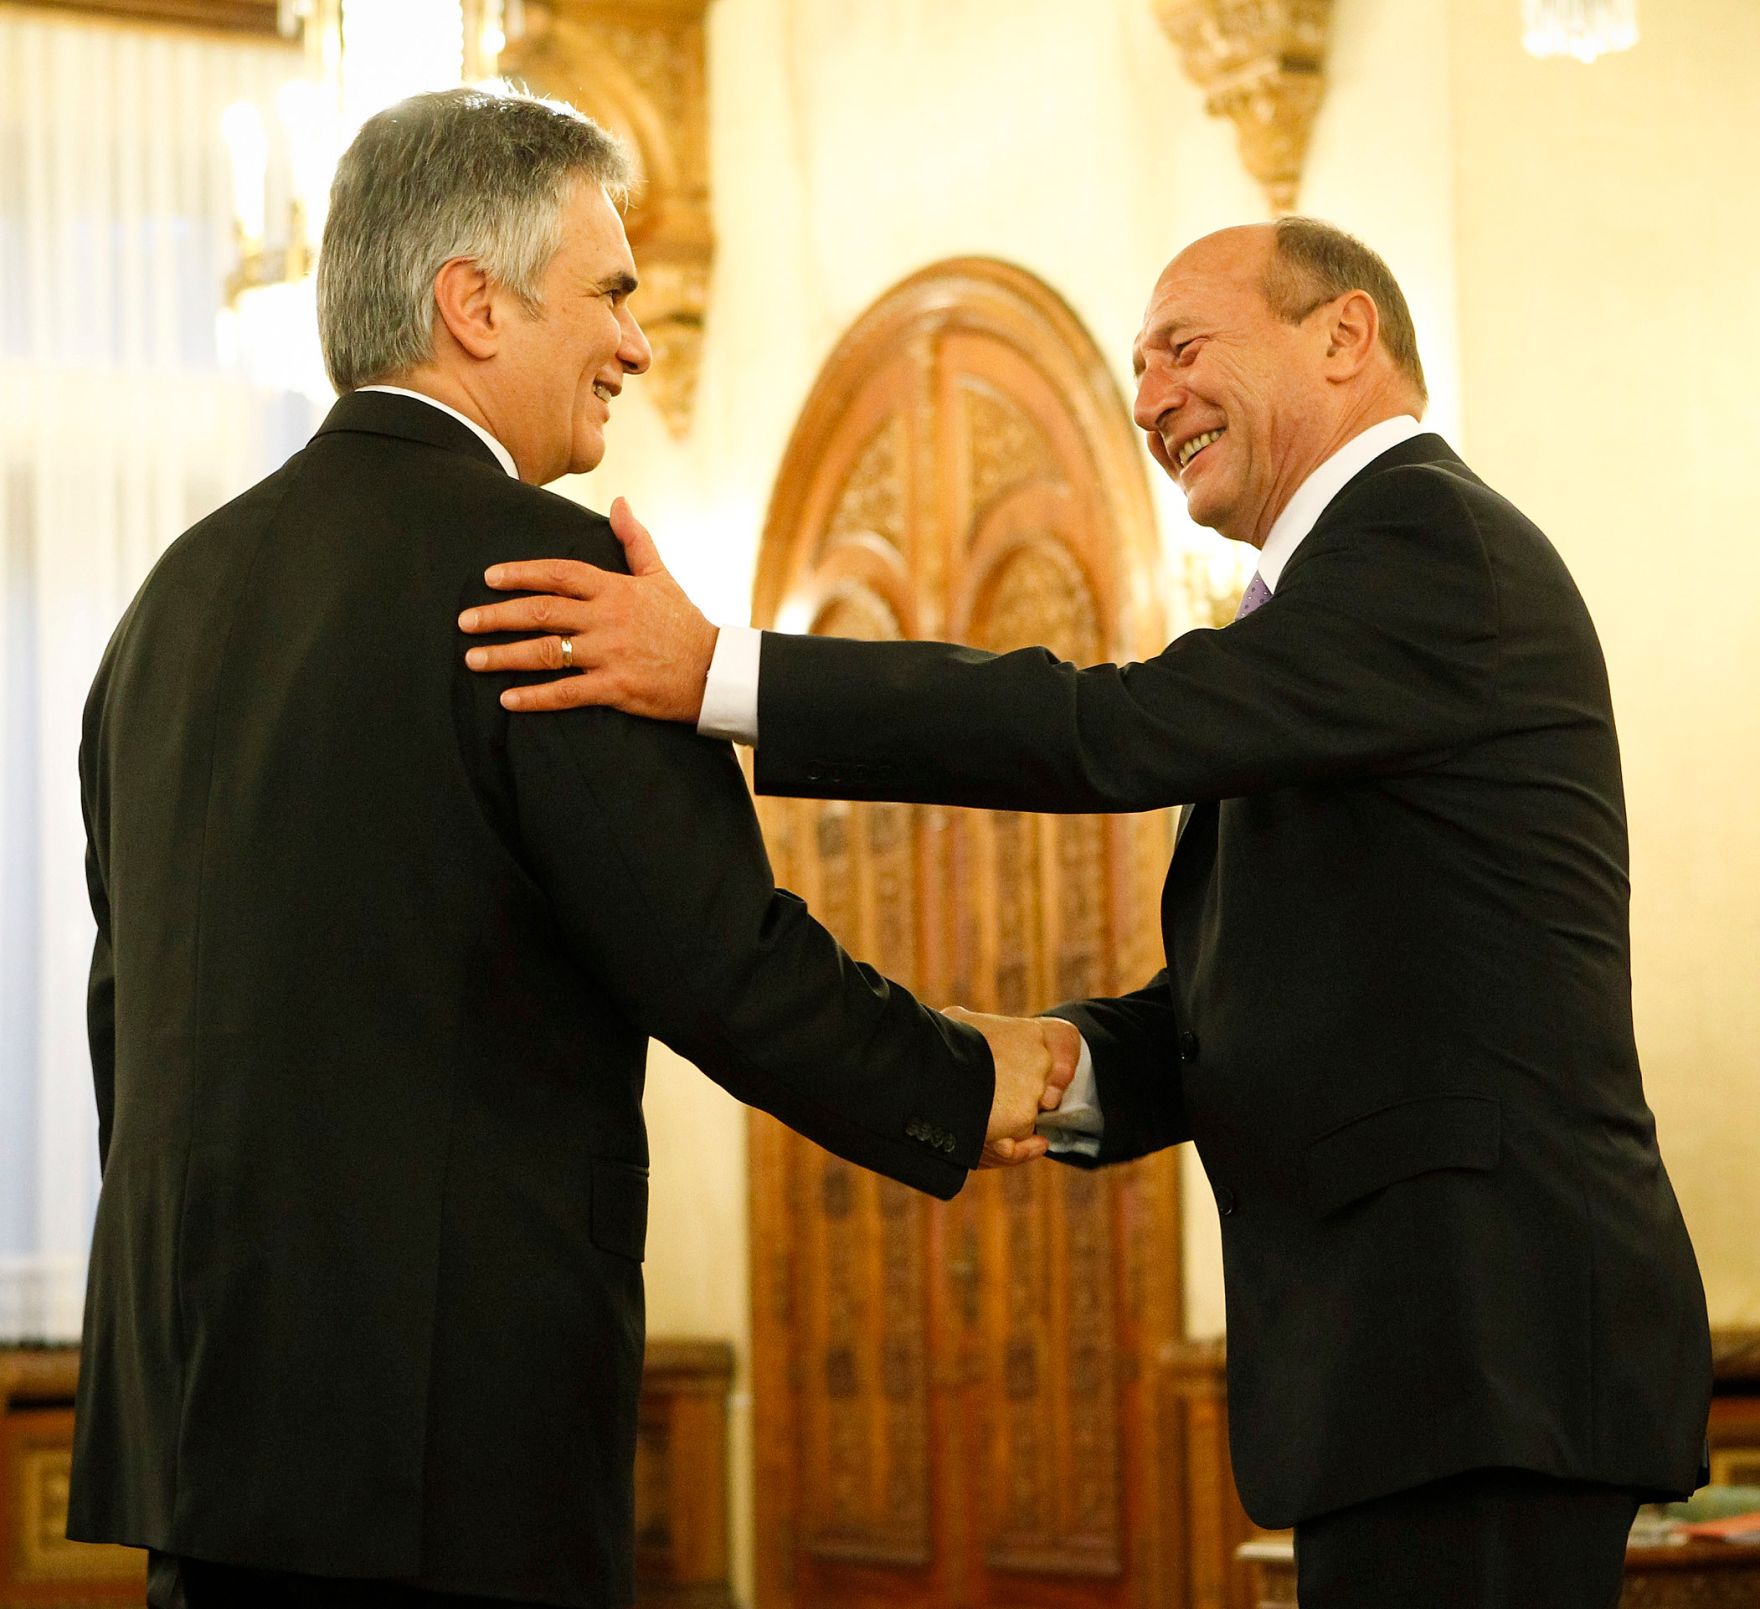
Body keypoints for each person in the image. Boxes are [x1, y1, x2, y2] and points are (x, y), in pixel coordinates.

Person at [459, 218, 1712, 1608]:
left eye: (1184, 346)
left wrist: (719, 674)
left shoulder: (1426, 539)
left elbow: (1098, 731)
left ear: (1344, 337)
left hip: (1484, 1350)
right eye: (1136, 367)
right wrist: (1062, 1066)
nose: (1149, 396)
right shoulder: (1331, 601)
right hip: (1421, 1367)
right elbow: (1297, 983)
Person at [69, 86, 1071, 1609]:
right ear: (474, 303)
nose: (638, 340)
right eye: (609, 289)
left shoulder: (172, 601)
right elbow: (718, 959)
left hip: (202, 1429)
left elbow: (124, 1022)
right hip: (447, 1446)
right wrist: (955, 1076)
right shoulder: (543, 580)